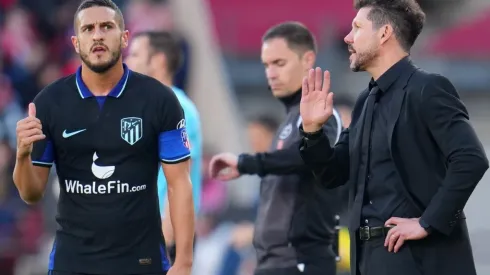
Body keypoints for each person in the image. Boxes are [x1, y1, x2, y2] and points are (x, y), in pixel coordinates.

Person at [297, 1, 489, 275]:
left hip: (417, 259)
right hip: (367, 259)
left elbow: (471, 159)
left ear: (384, 33)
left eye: (357, 27)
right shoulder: (365, 101)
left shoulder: (428, 89)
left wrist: (427, 222)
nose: (347, 37)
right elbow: (333, 174)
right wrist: (313, 131)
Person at [12, 1, 195, 274]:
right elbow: (31, 193)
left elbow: (179, 185)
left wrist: (184, 261)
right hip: (72, 263)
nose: (97, 35)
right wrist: (22, 154)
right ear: (76, 42)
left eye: (106, 26)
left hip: (141, 261)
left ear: (124, 38)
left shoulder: (159, 100)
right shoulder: (50, 103)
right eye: (88, 29)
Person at [209, 22, 343, 275]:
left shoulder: (321, 116)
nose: (270, 73)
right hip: (274, 261)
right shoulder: (288, 121)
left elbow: (305, 157)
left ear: (308, 60)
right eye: (266, 65)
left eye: (279, 63)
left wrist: (245, 163)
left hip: (301, 260)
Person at [126, 30, 202, 264]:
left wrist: (165, 243)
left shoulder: (178, 109)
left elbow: (180, 179)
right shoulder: (144, 108)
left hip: (159, 238)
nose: (127, 61)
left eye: (136, 54)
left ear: (158, 61)